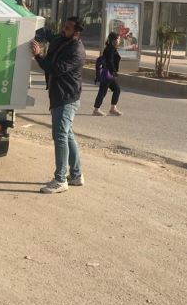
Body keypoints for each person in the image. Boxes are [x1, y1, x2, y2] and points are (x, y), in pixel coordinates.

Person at [30, 17, 86, 194]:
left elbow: (55, 69)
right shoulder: (63, 39)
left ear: (76, 32)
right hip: (59, 96)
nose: (63, 29)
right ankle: (76, 175)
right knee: (67, 135)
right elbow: (48, 34)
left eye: (68, 28)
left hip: (66, 98)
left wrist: (38, 55)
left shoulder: (76, 50)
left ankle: (61, 179)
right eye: (64, 25)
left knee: (60, 136)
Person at [93, 32, 123, 117]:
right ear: (114, 40)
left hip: (110, 74)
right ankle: (96, 110)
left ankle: (113, 108)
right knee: (103, 91)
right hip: (107, 73)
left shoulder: (112, 48)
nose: (119, 40)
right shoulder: (110, 49)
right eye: (118, 39)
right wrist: (113, 72)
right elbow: (110, 62)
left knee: (116, 89)